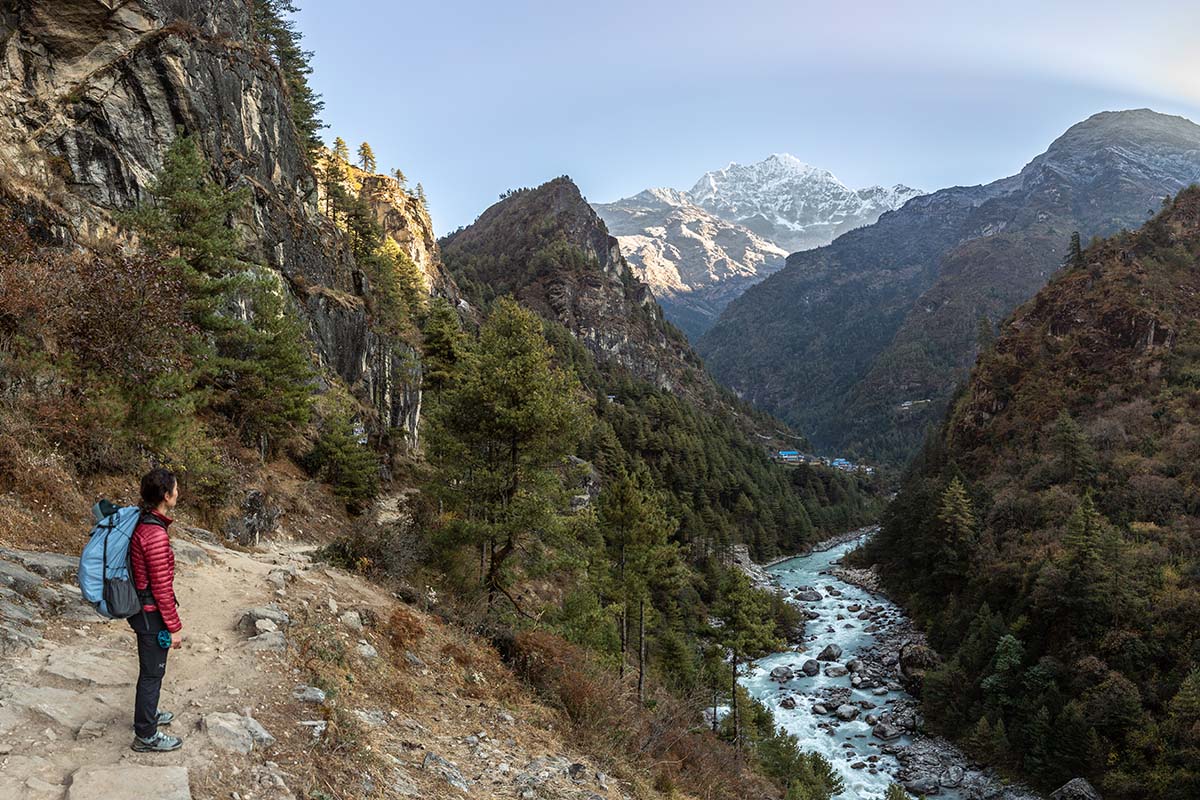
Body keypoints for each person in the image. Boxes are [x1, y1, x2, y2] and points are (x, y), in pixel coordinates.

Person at [128, 467, 185, 752]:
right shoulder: (155, 534)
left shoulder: (145, 521)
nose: (178, 492)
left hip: (143, 610)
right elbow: (161, 587)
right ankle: (146, 735)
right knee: (152, 674)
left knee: (149, 671)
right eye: (175, 489)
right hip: (151, 613)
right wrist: (174, 627)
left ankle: (147, 716)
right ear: (166, 495)